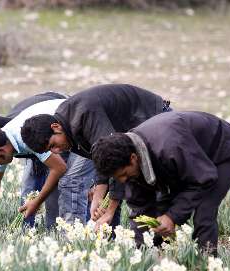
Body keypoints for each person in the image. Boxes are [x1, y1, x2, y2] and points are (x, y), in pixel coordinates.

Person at [91, 111, 230, 255]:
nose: (123, 180)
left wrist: (172, 217)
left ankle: (208, 263)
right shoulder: (131, 156)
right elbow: (140, 208)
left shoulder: (169, 147)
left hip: (224, 152)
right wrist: (139, 254)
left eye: (124, 174)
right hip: (191, 160)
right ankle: (158, 257)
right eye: (118, 178)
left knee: (204, 209)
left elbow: (204, 179)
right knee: (161, 211)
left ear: (133, 158)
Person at [21, 83, 172, 229]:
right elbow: (101, 158)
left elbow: (116, 157)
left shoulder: (84, 114)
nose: (56, 152)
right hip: (133, 138)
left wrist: (110, 210)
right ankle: (111, 241)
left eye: (53, 145)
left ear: (55, 127)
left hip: (157, 122)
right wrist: (99, 195)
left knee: (150, 197)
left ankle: (161, 246)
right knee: (118, 194)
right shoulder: (66, 126)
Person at [0, 92, 68, 226]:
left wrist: (37, 201)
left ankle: (62, 230)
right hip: (51, 126)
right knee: (31, 184)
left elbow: (59, 168)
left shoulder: (26, 137)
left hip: (71, 124)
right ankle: (32, 228)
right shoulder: (3, 139)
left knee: (70, 182)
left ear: (0, 152)